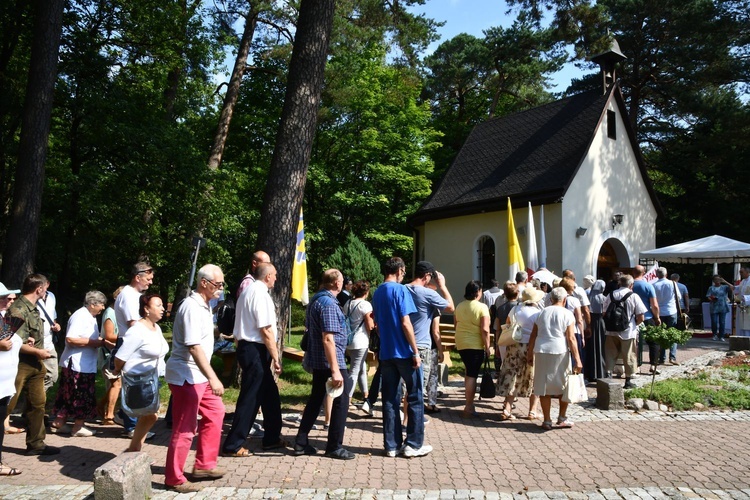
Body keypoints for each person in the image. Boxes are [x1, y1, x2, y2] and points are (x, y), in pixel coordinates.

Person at [164, 264, 226, 493]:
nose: (220, 288)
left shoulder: (205, 305)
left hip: (199, 374)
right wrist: (214, 378)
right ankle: (174, 478)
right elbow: (193, 347)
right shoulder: (191, 306)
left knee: (216, 412)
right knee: (185, 427)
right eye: (218, 284)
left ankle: (204, 466)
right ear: (204, 283)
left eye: (221, 284)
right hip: (186, 375)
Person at [222, 263, 286, 457]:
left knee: (270, 396)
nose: (276, 278)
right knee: (250, 398)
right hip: (255, 349)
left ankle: (272, 437)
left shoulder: (248, 291)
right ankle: (233, 444)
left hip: (250, 348)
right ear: (267, 276)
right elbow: (265, 330)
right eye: (274, 275)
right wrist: (275, 357)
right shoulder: (259, 294)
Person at [372, 257, 431, 458]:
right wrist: (415, 351)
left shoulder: (378, 292)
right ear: (400, 270)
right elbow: (406, 322)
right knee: (414, 396)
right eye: (404, 272)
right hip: (405, 353)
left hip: (386, 352)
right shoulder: (401, 290)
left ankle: (391, 445)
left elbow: (377, 325)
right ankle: (413, 444)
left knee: (389, 399)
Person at [294, 269, 354, 460]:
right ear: (337, 283)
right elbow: (328, 338)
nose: (343, 284)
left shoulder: (317, 299)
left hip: (320, 360)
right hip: (330, 361)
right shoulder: (328, 303)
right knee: (341, 401)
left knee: (315, 399)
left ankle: (301, 442)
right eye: (342, 281)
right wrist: (335, 370)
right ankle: (334, 446)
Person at [6, 274, 59, 455]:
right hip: (19, 365)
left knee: (38, 404)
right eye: (45, 288)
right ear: (39, 289)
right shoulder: (18, 309)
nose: (46, 292)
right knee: (7, 404)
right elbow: (13, 342)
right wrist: (38, 351)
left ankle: (36, 444)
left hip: (35, 364)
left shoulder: (35, 308)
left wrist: (36, 352)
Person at [113, 294, 169, 452]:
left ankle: (134, 449)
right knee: (150, 415)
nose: (163, 309)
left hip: (153, 379)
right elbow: (120, 357)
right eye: (158, 305)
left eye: (162, 305)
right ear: (146, 309)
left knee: (149, 416)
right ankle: (133, 448)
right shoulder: (137, 330)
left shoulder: (155, 327)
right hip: (139, 381)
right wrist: (118, 371)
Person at [50, 291, 110, 437]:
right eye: (101, 304)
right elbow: (71, 339)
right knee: (81, 394)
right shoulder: (81, 316)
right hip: (77, 363)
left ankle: (60, 422)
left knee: (68, 393)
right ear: (92, 303)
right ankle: (78, 426)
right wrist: (97, 342)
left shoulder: (89, 317)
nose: (102, 308)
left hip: (83, 363)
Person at [526, 287, 583, 430]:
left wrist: (529, 353)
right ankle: (562, 417)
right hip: (560, 351)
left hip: (541, 350)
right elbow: (571, 338)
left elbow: (533, 335)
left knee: (543, 385)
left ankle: (547, 420)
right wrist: (577, 359)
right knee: (564, 384)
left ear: (551, 299)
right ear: (564, 300)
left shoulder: (542, 313)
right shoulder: (567, 314)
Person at [406, 261, 454, 417]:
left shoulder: (402, 290)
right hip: (421, 347)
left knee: (407, 387)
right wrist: (442, 286)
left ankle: (406, 421)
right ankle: (415, 423)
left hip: (402, 345)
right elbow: (450, 307)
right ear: (427, 276)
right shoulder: (427, 294)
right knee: (418, 387)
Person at [114, 262, 155, 438]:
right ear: (137, 277)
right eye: (148, 279)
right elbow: (133, 323)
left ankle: (124, 415)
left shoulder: (133, 294)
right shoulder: (129, 296)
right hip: (130, 343)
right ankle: (131, 426)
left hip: (133, 342)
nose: (150, 283)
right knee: (133, 384)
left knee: (138, 384)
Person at [496, 287, 544, 421]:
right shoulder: (538, 313)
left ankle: (507, 408)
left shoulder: (515, 309)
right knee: (534, 376)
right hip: (531, 346)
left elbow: (507, 324)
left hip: (515, 344)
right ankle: (532, 411)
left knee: (512, 375)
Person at [453, 280, 491, 419]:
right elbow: (485, 329)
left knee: (469, 372)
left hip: (462, 342)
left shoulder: (459, 306)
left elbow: (455, 324)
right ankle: (469, 406)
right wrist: (487, 346)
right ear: (477, 292)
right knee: (472, 375)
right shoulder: (482, 307)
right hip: (475, 344)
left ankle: (469, 404)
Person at [602, 274, 647, 389]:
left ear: (619, 283)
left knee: (610, 354)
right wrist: (633, 324)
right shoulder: (633, 296)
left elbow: (604, 313)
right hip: (628, 331)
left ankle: (608, 377)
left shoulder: (610, 295)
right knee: (629, 355)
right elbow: (641, 316)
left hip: (611, 331)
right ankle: (628, 381)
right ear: (631, 285)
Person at [0, 283, 23, 475]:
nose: (9, 300)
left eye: (9, 297)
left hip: (5, 382)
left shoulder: (4, 318)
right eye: (3, 297)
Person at [343, 280, 375, 403]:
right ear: (366, 292)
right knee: (354, 371)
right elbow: (369, 325)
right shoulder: (365, 305)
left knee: (361, 368)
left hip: (349, 340)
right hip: (361, 341)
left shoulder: (348, 303)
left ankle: (365, 395)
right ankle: (346, 400)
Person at [97, 287, 123, 425]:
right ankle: (109, 415)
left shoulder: (120, 313)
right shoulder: (110, 313)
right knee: (116, 383)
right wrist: (126, 336)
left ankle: (101, 406)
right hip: (109, 355)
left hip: (117, 354)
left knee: (117, 384)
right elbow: (109, 335)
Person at [632, 265, 661, 370]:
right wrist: (657, 318)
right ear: (643, 273)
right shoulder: (648, 286)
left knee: (634, 342)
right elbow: (654, 305)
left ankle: (635, 365)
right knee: (653, 341)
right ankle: (653, 365)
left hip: (631, 317)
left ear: (633, 273)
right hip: (647, 316)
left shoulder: (629, 285)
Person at [36, 284, 61, 393]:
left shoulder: (51, 296)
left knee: (52, 376)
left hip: (49, 343)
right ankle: (35, 405)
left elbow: (53, 317)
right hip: (34, 345)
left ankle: (35, 403)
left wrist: (56, 325)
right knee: (32, 378)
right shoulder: (29, 300)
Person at [653, 267, 679, 365]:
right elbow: (678, 297)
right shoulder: (673, 283)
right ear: (666, 274)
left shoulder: (654, 285)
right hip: (671, 311)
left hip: (659, 312)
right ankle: (672, 357)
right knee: (673, 334)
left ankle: (662, 358)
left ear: (656, 275)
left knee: (661, 335)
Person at [583, 280, 607, 381]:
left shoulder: (588, 297)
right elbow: (604, 312)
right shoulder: (604, 298)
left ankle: (589, 372)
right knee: (600, 347)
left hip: (589, 323)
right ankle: (600, 372)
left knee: (590, 347)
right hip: (600, 323)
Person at [493, 281, 519, 371]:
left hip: (503, 338)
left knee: (505, 365)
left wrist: (497, 344)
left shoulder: (500, 308)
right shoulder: (519, 307)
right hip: (516, 338)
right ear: (517, 293)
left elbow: (497, 328)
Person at [707, 275, 732, 341]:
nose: (717, 281)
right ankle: (714, 334)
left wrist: (725, 281)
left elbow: (732, 287)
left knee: (722, 322)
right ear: (713, 281)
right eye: (716, 279)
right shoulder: (711, 288)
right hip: (714, 306)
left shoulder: (724, 287)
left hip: (723, 306)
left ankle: (721, 336)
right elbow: (708, 296)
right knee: (714, 322)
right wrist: (712, 299)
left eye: (719, 279)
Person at [735, 267, 750, 337]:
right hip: (743, 306)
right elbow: (736, 289)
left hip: (748, 304)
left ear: (747, 272)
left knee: (748, 324)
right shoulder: (742, 281)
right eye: (740, 272)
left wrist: (746, 299)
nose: (740, 274)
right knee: (742, 324)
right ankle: (743, 339)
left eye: (742, 272)